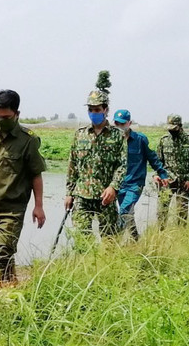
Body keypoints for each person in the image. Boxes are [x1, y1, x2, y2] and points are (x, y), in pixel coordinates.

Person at [0, 89, 46, 284]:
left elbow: (36, 174)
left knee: (1, 255)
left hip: (12, 210)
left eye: (6, 117)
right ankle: (11, 284)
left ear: (17, 114)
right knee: (1, 254)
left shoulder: (28, 140)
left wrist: (39, 205)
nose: (0, 121)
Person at [64, 88, 125, 240]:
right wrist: (68, 193)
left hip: (105, 196)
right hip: (81, 196)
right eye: (90, 109)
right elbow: (72, 165)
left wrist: (113, 187)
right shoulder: (80, 134)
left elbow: (122, 165)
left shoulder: (117, 135)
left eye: (97, 109)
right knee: (82, 240)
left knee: (109, 239)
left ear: (106, 109)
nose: (93, 113)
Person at [111, 109, 167, 240]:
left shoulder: (140, 140)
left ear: (129, 123)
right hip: (118, 185)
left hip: (135, 184)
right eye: (117, 124)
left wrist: (162, 173)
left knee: (125, 210)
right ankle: (136, 239)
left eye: (122, 124)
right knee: (128, 214)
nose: (119, 127)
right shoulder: (111, 142)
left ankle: (114, 241)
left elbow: (152, 158)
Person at [154, 114, 189, 228]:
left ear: (180, 126)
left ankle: (180, 236)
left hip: (184, 181)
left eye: (174, 129)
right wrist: (156, 175)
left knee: (181, 212)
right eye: (169, 128)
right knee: (162, 210)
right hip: (167, 180)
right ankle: (161, 234)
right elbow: (158, 161)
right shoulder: (163, 140)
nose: (171, 131)